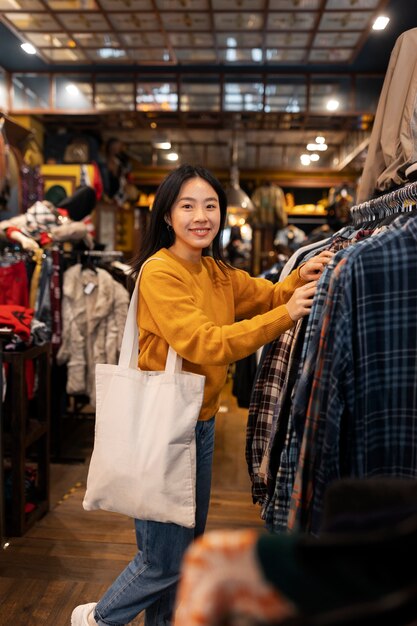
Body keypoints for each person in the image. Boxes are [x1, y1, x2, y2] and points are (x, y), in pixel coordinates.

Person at [71, 164, 333, 626]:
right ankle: (98, 620)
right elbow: (203, 341)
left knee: (184, 553)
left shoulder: (215, 271)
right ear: (167, 216)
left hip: (200, 424)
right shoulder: (160, 272)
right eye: (187, 206)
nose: (201, 216)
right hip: (164, 423)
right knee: (162, 560)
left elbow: (265, 294)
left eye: (210, 205)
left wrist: (298, 279)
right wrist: (287, 315)